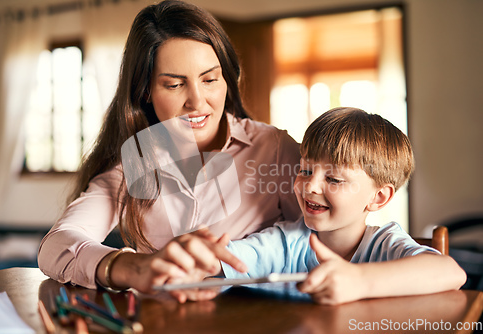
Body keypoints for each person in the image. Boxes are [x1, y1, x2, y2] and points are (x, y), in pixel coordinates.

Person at [37, 0, 300, 296]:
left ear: (227, 78)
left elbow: (320, 240)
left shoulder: (274, 149)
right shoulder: (131, 166)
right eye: (175, 85)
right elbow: (55, 246)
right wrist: (134, 267)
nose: (197, 102)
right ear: (145, 91)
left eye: (210, 79)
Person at [173, 107, 467, 305]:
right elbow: (229, 261)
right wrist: (200, 267)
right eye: (304, 170)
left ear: (378, 198)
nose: (309, 186)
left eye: (334, 179)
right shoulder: (287, 241)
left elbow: (451, 273)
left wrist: (359, 282)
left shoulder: (385, 245)